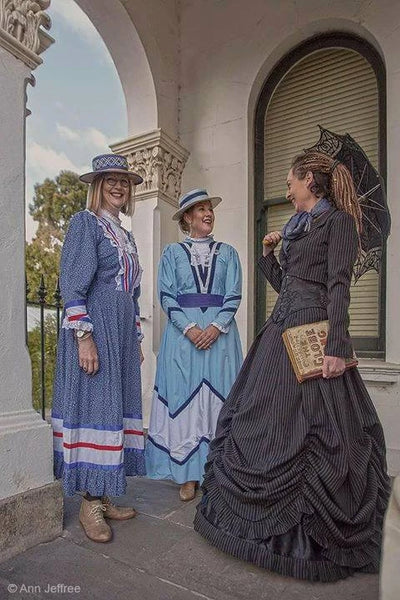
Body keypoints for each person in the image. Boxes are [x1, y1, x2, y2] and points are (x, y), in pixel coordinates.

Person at [194, 151, 390, 581]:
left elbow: (338, 285)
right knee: (258, 418)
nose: (286, 190)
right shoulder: (300, 226)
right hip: (280, 330)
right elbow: (289, 286)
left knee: (315, 429)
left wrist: (336, 346)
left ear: (308, 180)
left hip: (312, 334)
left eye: (290, 182)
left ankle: (310, 540)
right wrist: (270, 256)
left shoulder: (337, 222)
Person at [52, 154, 146, 543]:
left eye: (123, 180)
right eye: (110, 180)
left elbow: (133, 292)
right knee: (96, 403)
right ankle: (89, 504)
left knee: (114, 406)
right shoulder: (85, 224)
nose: (118, 186)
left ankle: (103, 492)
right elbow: (72, 284)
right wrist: (83, 336)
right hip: (96, 326)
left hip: (121, 330)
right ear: (97, 186)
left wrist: (136, 337)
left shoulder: (127, 234)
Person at [145, 189, 243, 501]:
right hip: (182, 338)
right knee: (185, 400)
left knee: (219, 401)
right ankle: (187, 475)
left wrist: (216, 326)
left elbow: (234, 293)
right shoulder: (172, 254)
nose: (208, 213)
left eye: (209, 209)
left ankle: (217, 473)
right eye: (200, 209)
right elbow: (166, 295)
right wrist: (189, 328)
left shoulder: (228, 253)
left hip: (221, 338)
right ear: (188, 217)